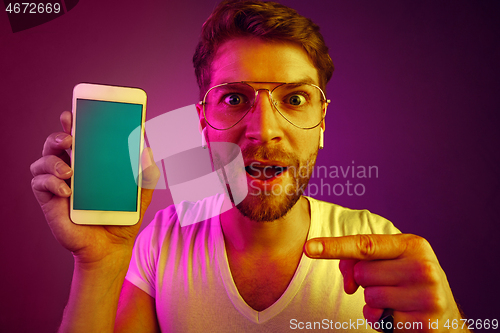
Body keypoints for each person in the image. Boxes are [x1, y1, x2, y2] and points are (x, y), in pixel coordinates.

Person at [31, 1, 468, 332]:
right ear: (203, 124)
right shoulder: (158, 245)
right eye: (235, 99)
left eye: (295, 99)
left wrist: (452, 326)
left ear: (321, 122)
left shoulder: (381, 250)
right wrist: (99, 265)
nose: (264, 130)